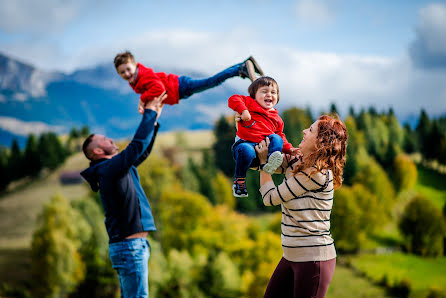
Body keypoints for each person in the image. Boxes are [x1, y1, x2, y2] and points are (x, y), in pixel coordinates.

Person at [80, 93, 166, 298]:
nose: (110, 138)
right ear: (99, 150)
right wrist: (149, 113)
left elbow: (141, 153)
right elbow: (135, 147)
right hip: (130, 248)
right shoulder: (109, 169)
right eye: (104, 139)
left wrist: (153, 122)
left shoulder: (115, 168)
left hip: (134, 247)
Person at [255, 114, 348, 298]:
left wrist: (264, 164)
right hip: (291, 255)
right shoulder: (299, 160)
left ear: (320, 142)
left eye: (311, 130)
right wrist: (249, 135)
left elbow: (270, 197)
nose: (304, 131)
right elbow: (266, 161)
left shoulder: (317, 174)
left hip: (313, 259)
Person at [114, 51, 264, 113]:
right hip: (179, 89)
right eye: (122, 72)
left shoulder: (143, 76)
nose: (127, 74)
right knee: (212, 81)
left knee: (212, 81)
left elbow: (158, 89)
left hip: (180, 86)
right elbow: (157, 94)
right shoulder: (137, 81)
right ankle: (243, 66)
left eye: (128, 69)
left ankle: (241, 68)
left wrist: (142, 99)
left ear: (135, 65)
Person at [228, 76, 299, 198]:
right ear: (254, 96)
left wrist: (290, 149)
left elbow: (281, 136)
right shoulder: (249, 103)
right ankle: (239, 181)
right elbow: (233, 98)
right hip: (246, 145)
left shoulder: (277, 119)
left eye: (273, 92)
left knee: (277, 138)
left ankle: (272, 160)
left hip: (264, 150)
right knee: (246, 150)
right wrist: (244, 110)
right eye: (264, 91)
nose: (269, 95)